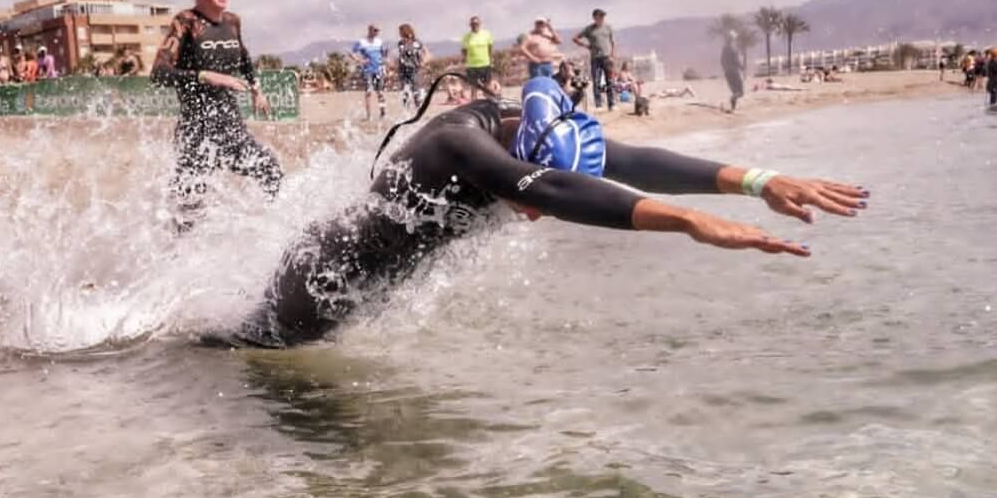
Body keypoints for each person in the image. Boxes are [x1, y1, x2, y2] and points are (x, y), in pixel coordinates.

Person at [224, 74, 867, 347]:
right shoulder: (460, 144)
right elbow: (554, 191)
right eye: (526, 199)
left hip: (371, 287)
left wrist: (761, 180)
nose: (532, 215)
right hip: (321, 282)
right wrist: (688, 222)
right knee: (254, 358)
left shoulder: (534, 131)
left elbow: (638, 161)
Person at [151, 0, 283, 233]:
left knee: (270, 170)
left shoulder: (233, 22)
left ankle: (268, 235)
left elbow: (245, 59)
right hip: (196, 131)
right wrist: (205, 76)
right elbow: (159, 73)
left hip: (230, 127)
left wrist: (257, 89)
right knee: (189, 213)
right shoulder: (185, 22)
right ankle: (175, 265)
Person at [572, 8, 616, 111]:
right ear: (594, 17)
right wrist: (586, 46)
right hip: (595, 58)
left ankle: (612, 104)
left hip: (607, 57)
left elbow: (613, 43)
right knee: (596, 81)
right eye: (599, 16)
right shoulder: (589, 29)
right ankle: (599, 105)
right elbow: (575, 38)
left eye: (603, 16)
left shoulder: (608, 27)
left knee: (609, 81)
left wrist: (612, 56)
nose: (601, 18)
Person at [351, 24, 389, 121]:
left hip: (378, 69)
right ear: (370, 30)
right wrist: (359, 60)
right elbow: (352, 52)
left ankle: (383, 113)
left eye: (377, 31)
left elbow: (383, 54)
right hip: (367, 70)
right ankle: (369, 115)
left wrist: (385, 57)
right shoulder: (362, 42)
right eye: (375, 30)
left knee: (380, 92)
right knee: (368, 92)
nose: (376, 32)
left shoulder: (379, 42)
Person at [460, 15, 497, 98]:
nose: (474, 25)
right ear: (470, 25)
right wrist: (467, 59)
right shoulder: (466, 37)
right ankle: (473, 105)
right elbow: (464, 51)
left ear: (480, 24)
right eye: (472, 24)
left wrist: (490, 59)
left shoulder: (486, 34)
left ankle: (489, 104)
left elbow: (490, 48)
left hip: (485, 64)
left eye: (476, 23)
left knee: (488, 86)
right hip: (472, 65)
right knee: (474, 87)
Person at [395, 24, 426, 110]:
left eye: (400, 31)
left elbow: (425, 52)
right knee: (405, 91)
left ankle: (418, 109)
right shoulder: (400, 43)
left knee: (416, 90)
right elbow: (401, 56)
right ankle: (406, 111)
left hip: (415, 69)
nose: (399, 33)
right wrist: (397, 66)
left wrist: (423, 62)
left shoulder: (416, 42)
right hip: (403, 69)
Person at [721, 30, 746, 112]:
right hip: (735, 71)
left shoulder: (724, 49)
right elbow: (737, 61)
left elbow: (722, 61)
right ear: (733, 39)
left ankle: (733, 108)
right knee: (741, 92)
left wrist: (725, 69)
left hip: (727, 72)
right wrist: (742, 67)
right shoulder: (734, 49)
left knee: (735, 91)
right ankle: (732, 104)